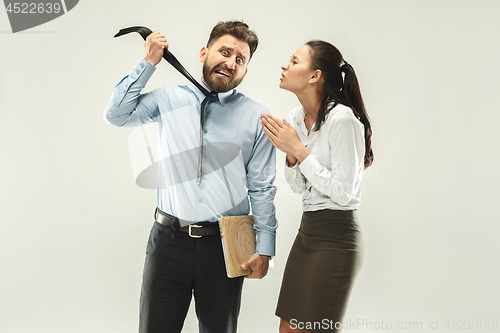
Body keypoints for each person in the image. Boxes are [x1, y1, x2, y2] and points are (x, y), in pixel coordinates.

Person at [103, 21, 277, 333]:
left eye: (240, 60)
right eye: (225, 52)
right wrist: (148, 63)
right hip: (168, 243)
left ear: (245, 72)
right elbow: (116, 114)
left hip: (226, 247)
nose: (231, 62)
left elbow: (262, 187)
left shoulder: (257, 117)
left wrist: (265, 247)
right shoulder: (169, 98)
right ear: (203, 53)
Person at [260, 40, 373, 333]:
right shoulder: (296, 119)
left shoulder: (344, 120)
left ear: (315, 76)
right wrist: (291, 153)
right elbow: (298, 187)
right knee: (287, 329)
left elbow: (343, 192)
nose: (285, 65)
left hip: (337, 239)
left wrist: (299, 150)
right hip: (307, 233)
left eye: (295, 61)